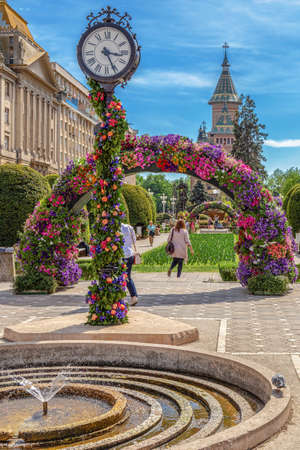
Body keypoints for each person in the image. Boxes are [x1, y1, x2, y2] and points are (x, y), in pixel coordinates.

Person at [121, 223, 138, 306]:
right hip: (129, 254)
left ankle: (120, 298)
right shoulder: (129, 227)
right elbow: (134, 240)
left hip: (120, 256)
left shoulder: (113, 228)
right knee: (127, 276)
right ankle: (134, 297)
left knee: (119, 277)